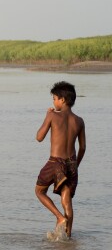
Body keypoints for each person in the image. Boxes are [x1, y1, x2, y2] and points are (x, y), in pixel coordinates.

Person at [35, 81, 86, 239]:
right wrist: (75, 165)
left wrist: (47, 115)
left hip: (55, 162)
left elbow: (39, 137)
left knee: (39, 191)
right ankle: (68, 237)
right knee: (67, 199)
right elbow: (83, 147)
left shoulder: (52, 115)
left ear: (62, 100)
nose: (54, 102)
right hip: (71, 164)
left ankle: (59, 217)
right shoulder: (79, 120)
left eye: (54, 98)